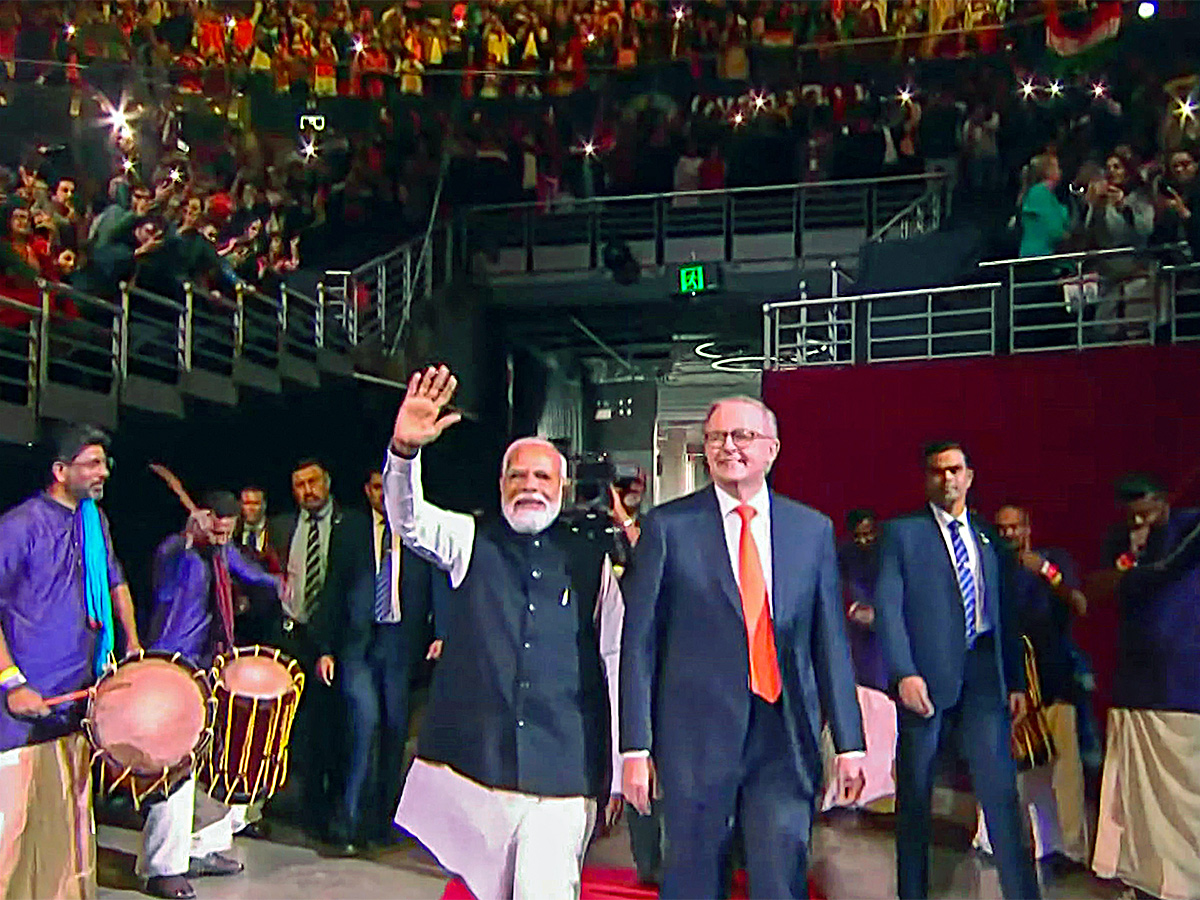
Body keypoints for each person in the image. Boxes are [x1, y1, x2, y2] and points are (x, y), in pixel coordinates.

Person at [384, 365, 624, 900]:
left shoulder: (592, 560)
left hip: (565, 770)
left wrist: (616, 761)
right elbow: (410, 521)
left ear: (562, 488)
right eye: (518, 476)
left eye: (542, 478)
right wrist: (403, 452)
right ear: (501, 485)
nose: (530, 486)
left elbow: (613, 659)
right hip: (480, 767)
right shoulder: (470, 540)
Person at [620, 396, 866, 899]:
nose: (727, 446)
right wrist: (635, 746)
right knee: (692, 882)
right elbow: (639, 644)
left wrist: (850, 742)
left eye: (741, 436)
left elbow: (829, 645)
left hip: (783, 737)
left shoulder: (811, 531)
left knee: (780, 880)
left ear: (772, 450)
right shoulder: (669, 529)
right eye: (716, 438)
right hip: (694, 742)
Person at [874, 441, 1040, 900]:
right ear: (927, 479)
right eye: (937, 472)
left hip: (983, 675)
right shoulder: (903, 534)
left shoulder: (988, 538)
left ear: (969, 476)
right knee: (916, 798)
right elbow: (888, 608)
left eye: (955, 470)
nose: (947, 479)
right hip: (924, 680)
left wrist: (1016, 682)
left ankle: (1023, 894)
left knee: (1001, 795)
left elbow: (1004, 614)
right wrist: (904, 671)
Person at [0, 423, 140, 899]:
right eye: (92, 463)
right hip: (22, 701)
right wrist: (10, 681)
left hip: (77, 694)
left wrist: (134, 647)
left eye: (105, 463)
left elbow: (115, 582)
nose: (103, 472)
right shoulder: (19, 526)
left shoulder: (94, 523)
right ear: (60, 471)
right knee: (12, 827)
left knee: (66, 824)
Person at [139, 491, 284, 900]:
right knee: (175, 766)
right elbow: (165, 575)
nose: (221, 532)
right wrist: (187, 537)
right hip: (171, 668)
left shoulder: (223, 553)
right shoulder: (176, 550)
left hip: (208, 665)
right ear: (201, 518)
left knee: (215, 760)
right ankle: (162, 867)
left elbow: (253, 573)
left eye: (229, 525)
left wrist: (283, 585)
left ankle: (203, 847)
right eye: (215, 522)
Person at [313, 469, 440, 856]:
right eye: (373, 487)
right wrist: (324, 647)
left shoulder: (419, 525)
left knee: (393, 733)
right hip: (357, 645)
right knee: (362, 727)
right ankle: (346, 824)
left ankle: (382, 823)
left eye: (386, 488)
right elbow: (332, 587)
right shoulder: (351, 529)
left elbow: (440, 580)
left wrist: (442, 630)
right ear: (365, 490)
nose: (380, 495)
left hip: (400, 645)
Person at [1092, 473, 1200, 900]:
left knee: (1186, 798)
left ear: (1164, 501)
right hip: (1135, 685)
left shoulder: (1188, 529)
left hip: (1184, 686)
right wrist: (1130, 557)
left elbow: (1169, 567)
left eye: (1148, 508)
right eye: (1132, 512)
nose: (1140, 518)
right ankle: (1149, 881)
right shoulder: (1120, 542)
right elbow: (1098, 590)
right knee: (1138, 802)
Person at [972, 504, 1089, 867]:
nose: (1008, 534)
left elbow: (1080, 605)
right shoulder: (989, 566)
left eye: (1015, 527)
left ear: (1028, 528)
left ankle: (1067, 850)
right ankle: (1000, 841)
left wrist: (1048, 573)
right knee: (1005, 767)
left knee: (1064, 772)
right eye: (1001, 528)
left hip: (1054, 680)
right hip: (1009, 685)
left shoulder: (1053, 560)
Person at [267, 458, 346, 836]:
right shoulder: (282, 526)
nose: (307, 490)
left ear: (327, 483)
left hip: (333, 639)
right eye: (299, 484)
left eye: (313, 482)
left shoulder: (349, 525)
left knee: (330, 724)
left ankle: (329, 808)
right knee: (294, 725)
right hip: (291, 633)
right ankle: (297, 804)